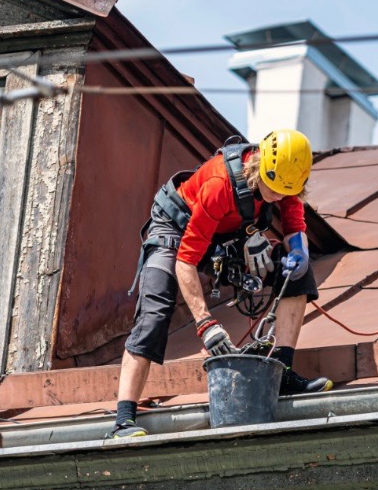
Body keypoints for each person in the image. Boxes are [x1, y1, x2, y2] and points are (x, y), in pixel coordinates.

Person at [108, 129, 331, 439]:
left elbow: (296, 230)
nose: (279, 197)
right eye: (274, 189)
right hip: (176, 231)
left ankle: (283, 370)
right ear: (259, 168)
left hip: (221, 239)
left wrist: (299, 255)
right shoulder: (219, 185)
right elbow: (185, 260)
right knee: (155, 312)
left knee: (296, 273)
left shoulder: (287, 179)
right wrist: (206, 325)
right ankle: (123, 419)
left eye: (286, 191)